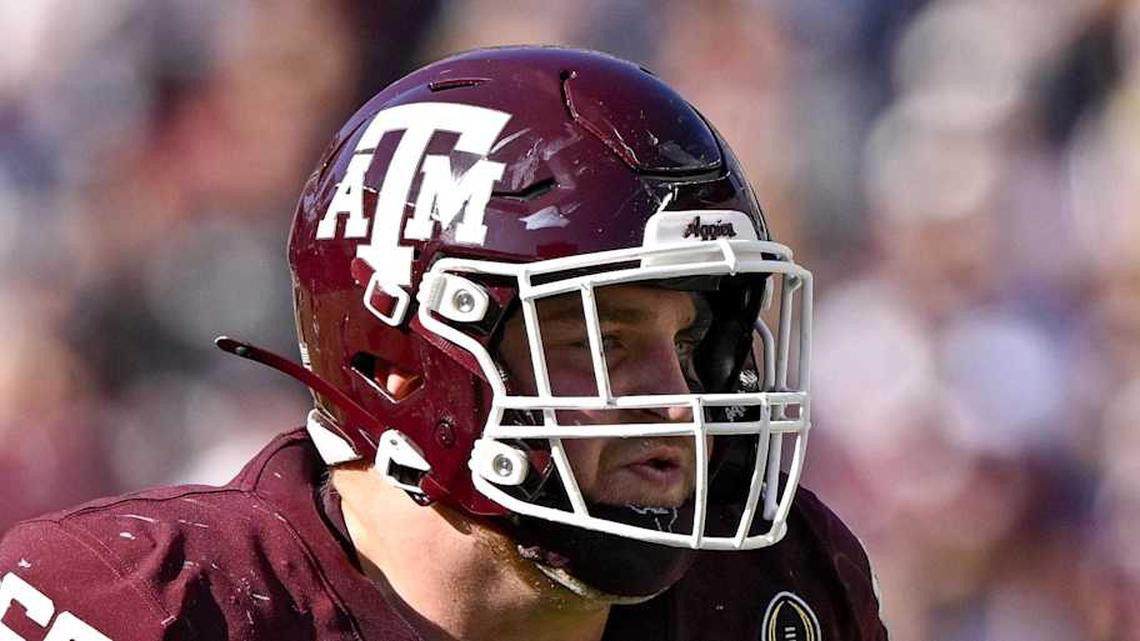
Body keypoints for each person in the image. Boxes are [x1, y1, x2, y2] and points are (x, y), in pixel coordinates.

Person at [0, 46, 887, 641]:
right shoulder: (141, 607)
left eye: (692, 342)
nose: (677, 399)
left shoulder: (776, 585)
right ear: (398, 364)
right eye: (607, 341)